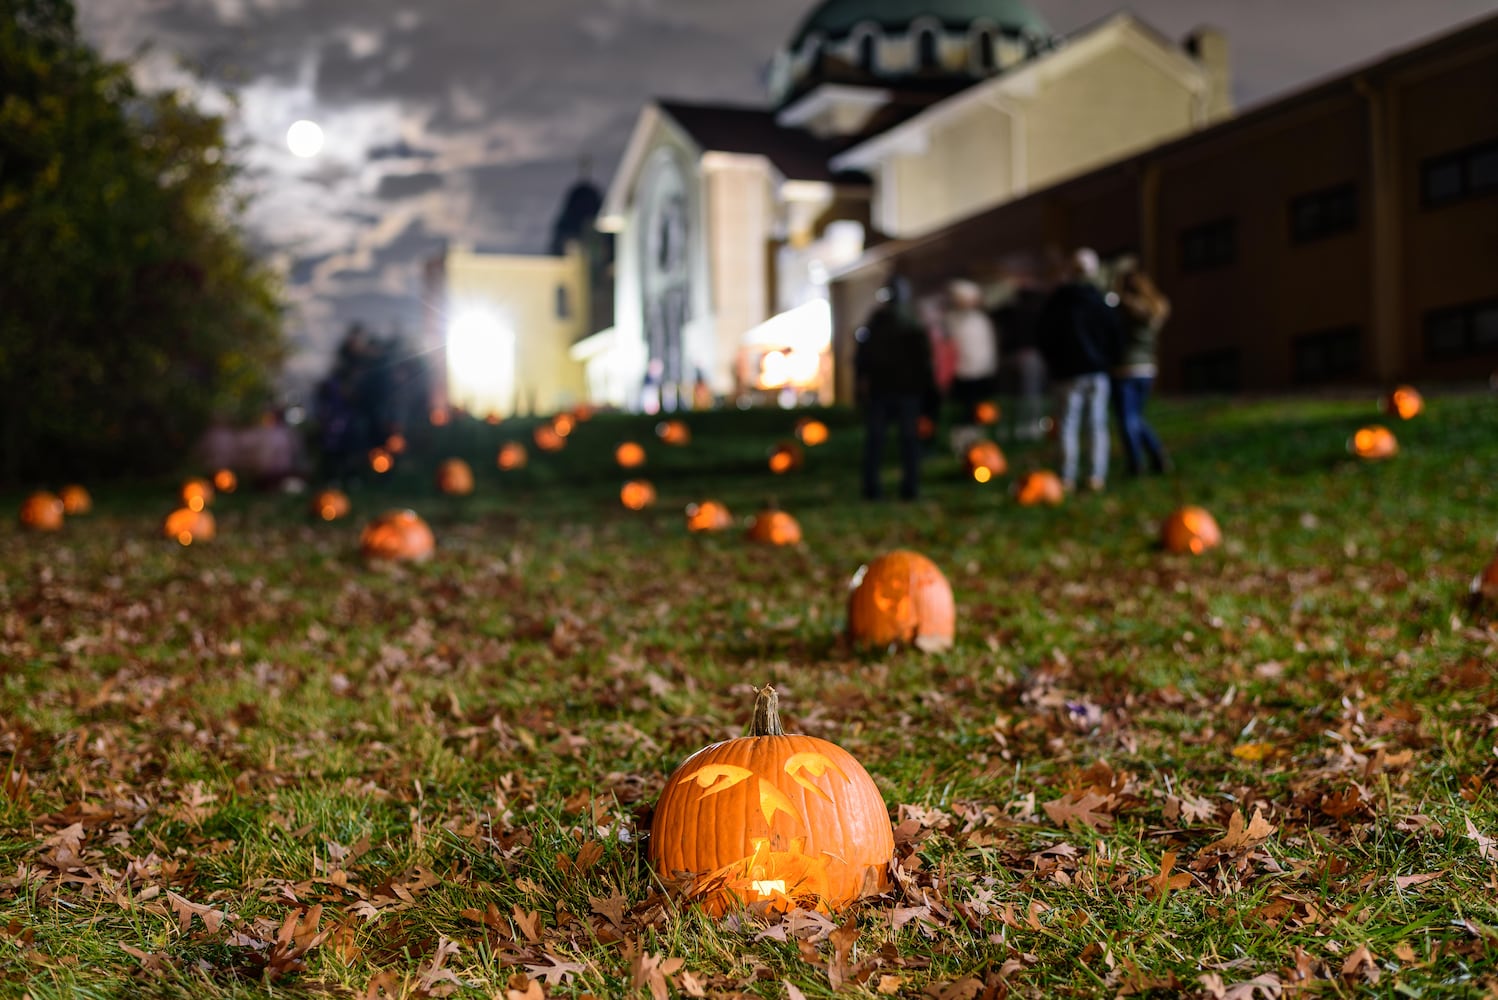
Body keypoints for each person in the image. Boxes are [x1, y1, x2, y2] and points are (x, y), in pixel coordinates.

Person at [1037, 248, 1121, 493]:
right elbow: (1114, 336)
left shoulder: (1057, 302)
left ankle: (1067, 476)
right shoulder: (1099, 300)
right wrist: (1107, 360)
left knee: (1067, 425)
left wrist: (1055, 362)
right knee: (1094, 424)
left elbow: (1044, 336)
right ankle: (1095, 476)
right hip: (1093, 371)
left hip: (1067, 372)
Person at [855, 274, 933, 500]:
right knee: (880, 440)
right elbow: (864, 357)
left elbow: (923, 361)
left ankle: (908, 488)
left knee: (904, 441)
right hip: (887, 390)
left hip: (903, 391)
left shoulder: (911, 323)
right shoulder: (879, 322)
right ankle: (874, 489)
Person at [1110, 267, 1172, 476]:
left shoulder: (1125, 308)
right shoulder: (1155, 308)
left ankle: (1136, 463)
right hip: (1147, 368)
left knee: (1127, 418)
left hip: (1125, 368)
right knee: (1136, 417)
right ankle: (1157, 454)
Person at [943, 278, 999, 456]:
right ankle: (962, 445)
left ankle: (977, 445)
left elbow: (987, 346)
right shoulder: (950, 321)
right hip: (960, 373)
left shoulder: (981, 321)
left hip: (980, 372)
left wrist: (989, 368)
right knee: (962, 412)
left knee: (978, 411)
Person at [992, 278, 1047, 440]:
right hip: (1028, 355)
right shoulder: (1038, 307)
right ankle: (1029, 427)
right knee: (1029, 394)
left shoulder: (1013, 308)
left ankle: (1013, 428)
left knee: (1014, 395)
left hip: (1013, 355)